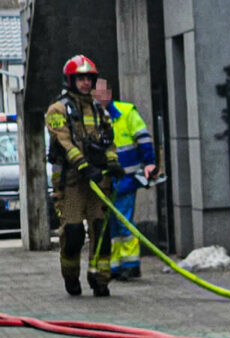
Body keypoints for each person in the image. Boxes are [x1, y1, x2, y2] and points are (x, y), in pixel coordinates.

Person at [45, 55, 120, 297]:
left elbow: (109, 140)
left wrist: (113, 162)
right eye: (80, 78)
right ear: (70, 80)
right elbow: (64, 141)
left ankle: (100, 279)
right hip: (70, 183)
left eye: (89, 78)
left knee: (101, 230)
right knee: (74, 232)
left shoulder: (99, 109)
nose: (86, 82)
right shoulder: (57, 110)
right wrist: (84, 165)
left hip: (98, 181)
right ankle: (71, 276)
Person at [92, 77, 158, 279]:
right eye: (95, 94)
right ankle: (117, 264)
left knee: (123, 222)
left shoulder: (126, 112)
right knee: (111, 223)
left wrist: (149, 162)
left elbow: (143, 138)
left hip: (126, 179)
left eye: (101, 93)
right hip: (106, 181)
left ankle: (131, 264)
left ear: (109, 93)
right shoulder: (93, 117)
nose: (98, 97)